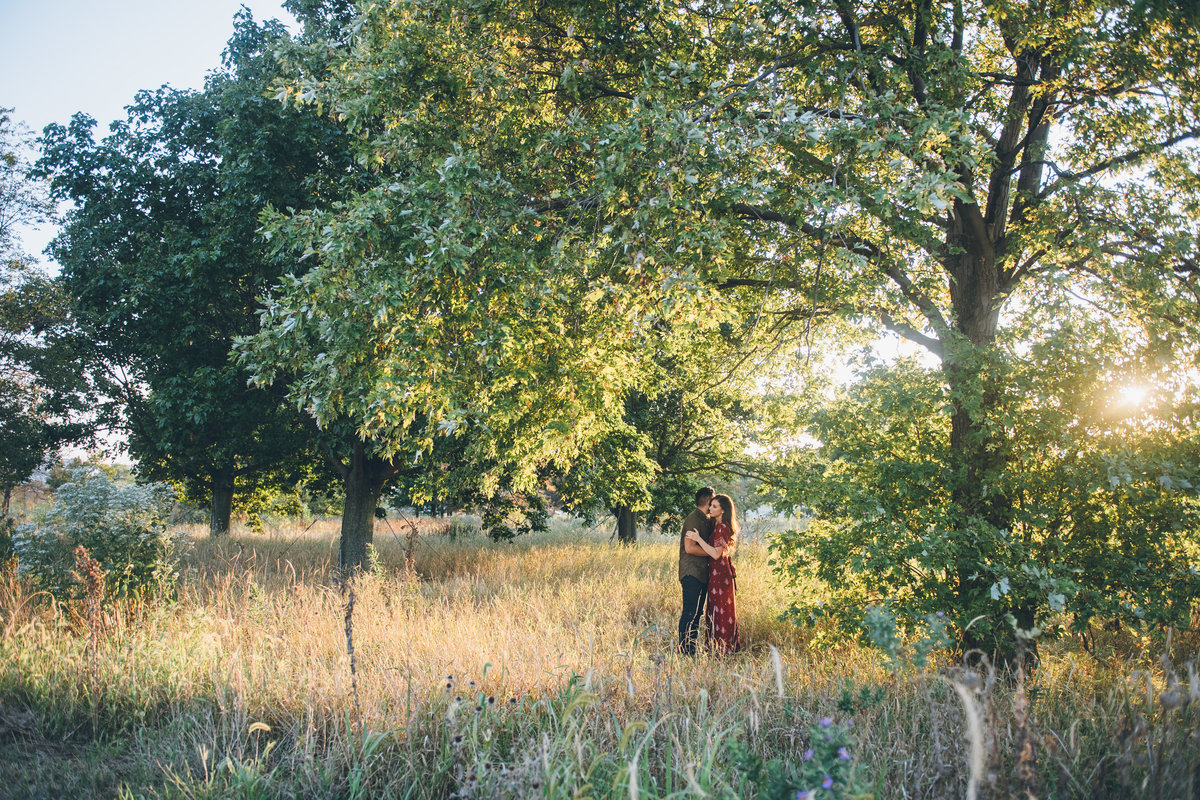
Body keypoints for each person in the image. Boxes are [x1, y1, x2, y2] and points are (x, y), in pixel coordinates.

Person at [686, 493, 741, 654]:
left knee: (722, 612)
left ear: (723, 510)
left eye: (714, 506)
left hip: (721, 575)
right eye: (710, 505)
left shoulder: (722, 527)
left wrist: (698, 538)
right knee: (715, 611)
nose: (710, 508)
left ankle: (724, 650)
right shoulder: (716, 526)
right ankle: (717, 649)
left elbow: (716, 554)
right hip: (716, 573)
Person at [678, 486, 715, 655]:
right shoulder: (693, 519)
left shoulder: (705, 519)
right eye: (713, 501)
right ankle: (683, 649)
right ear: (708, 501)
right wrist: (712, 554)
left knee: (698, 613)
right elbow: (690, 548)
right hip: (691, 572)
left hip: (701, 573)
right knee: (690, 612)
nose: (714, 504)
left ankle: (690, 649)